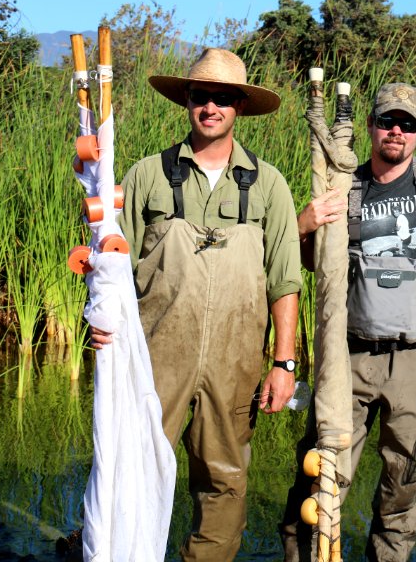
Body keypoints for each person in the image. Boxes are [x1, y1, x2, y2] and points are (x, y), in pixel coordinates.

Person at [91, 48, 303, 561]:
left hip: (236, 363)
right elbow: (112, 269)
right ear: (186, 100)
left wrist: (284, 363)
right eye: (201, 96)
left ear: (239, 108)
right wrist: (99, 320)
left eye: (223, 98)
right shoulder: (146, 174)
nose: (211, 107)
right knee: (136, 471)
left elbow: (285, 282)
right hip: (153, 358)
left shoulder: (270, 184)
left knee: (224, 483)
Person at [280, 83, 416, 562]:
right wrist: (301, 223)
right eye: (387, 121)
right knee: (321, 479)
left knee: (403, 486)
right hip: (347, 358)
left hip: (415, 363)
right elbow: (311, 262)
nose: (396, 131)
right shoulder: (344, 182)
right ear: (369, 125)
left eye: (407, 124)